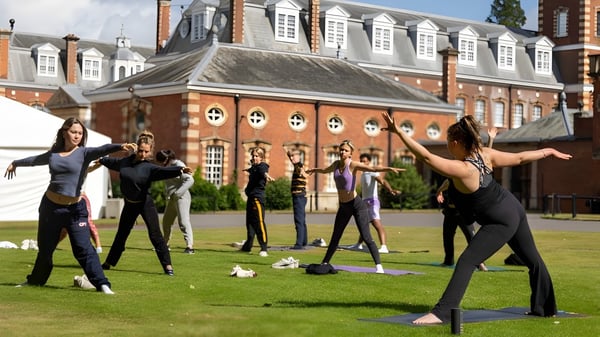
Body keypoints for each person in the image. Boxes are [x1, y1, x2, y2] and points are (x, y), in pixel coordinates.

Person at [381, 111, 571, 324]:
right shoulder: (485, 154)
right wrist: (548, 150)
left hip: (500, 220)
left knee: (467, 260)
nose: (447, 148)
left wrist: (398, 132)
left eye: (448, 144)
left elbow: (425, 156)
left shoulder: (463, 169)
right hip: (514, 208)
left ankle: (441, 312)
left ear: (455, 142)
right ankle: (544, 308)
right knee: (533, 261)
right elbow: (519, 157)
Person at [3, 117, 135, 294]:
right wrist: (15, 163)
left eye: (80, 133)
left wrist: (119, 146)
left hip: (75, 210)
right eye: (74, 132)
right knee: (46, 248)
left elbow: (101, 149)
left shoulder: (84, 153)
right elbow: (35, 160)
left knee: (83, 248)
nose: (77, 136)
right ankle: (35, 281)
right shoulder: (53, 155)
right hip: (50, 208)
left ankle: (102, 284)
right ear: (64, 132)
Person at [98, 131, 192, 276]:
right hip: (129, 204)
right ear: (136, 148)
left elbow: (164, 172)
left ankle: (167, 266)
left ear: (150, 151)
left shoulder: (150, 167)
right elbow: (111, 162)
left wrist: (180, 170)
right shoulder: (124, 162)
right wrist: (100, 160)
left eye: (146, 152)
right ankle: (109, 262)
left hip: (145, 203)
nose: (142, 154)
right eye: (141, 151)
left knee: (155, 235)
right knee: (121, 235)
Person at [305, 140, 404, 274]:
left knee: (366, 236)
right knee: (336, 236)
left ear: (351, 153)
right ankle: (325, 262)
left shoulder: (353, 165)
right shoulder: (335, 165)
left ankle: (379, 266)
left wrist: (389, 169)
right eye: (341, 150)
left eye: (345, 150)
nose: (342, 152)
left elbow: (373, 169)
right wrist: (314, 170)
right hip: (343, 206)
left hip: (357, 205)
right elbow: (324, 170)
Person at [435, 128, 496, 270]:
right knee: (447, 237)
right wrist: (439, 192)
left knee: (472, 238)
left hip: (463, 213)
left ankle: (481, 264)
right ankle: (448, 260)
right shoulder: (456, 171)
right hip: (450, 212)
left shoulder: (470, 167)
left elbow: (486, 157)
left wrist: (491, 139)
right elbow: (447, 183)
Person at [348, 153, 402, 254]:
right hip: (365, 201)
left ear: (369, 162)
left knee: (376, 223)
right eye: (361, 161)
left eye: (364, 161)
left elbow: (382, 181)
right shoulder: (363, 173)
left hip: (372, 201)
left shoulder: (372, 172)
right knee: (363, 224)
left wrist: (391, 190)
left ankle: (384, 247)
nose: (363, 163)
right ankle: (359, 244)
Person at [156, 149, 195, 254]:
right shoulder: (167, 166)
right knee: (167, 222)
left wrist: (178, 193)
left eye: (161, 161)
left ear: (167, 159)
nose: (160, 164)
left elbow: (190, 180)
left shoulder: (178, 165)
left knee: (183, 221)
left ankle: (189, 246)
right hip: (171, 198)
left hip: (182, 197)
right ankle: (165, 244)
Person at [240, 147, 274, 257]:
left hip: (257, 199)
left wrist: (267, 176)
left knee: (259, 223)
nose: (254, 158)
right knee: (249, 224)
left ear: (261, 157)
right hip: (250, 199)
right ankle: (247, 246)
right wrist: (248, 170)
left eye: (256, 156)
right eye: (253, 156)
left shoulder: (262, 166)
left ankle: (264, 248)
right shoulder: (254, 167)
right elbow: (254, 170)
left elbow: (262, 171)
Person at [285, 148, 308, 250]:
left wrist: (303, 173)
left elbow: (302, 172)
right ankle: (304, 241)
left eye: (293, 155)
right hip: (300, 196)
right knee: (302, 220)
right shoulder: (297, 166)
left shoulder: (299, 166)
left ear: (299, 156)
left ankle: (299, 244)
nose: (291, 158)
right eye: (290, 156)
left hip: (298, 196)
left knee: (298, 220)